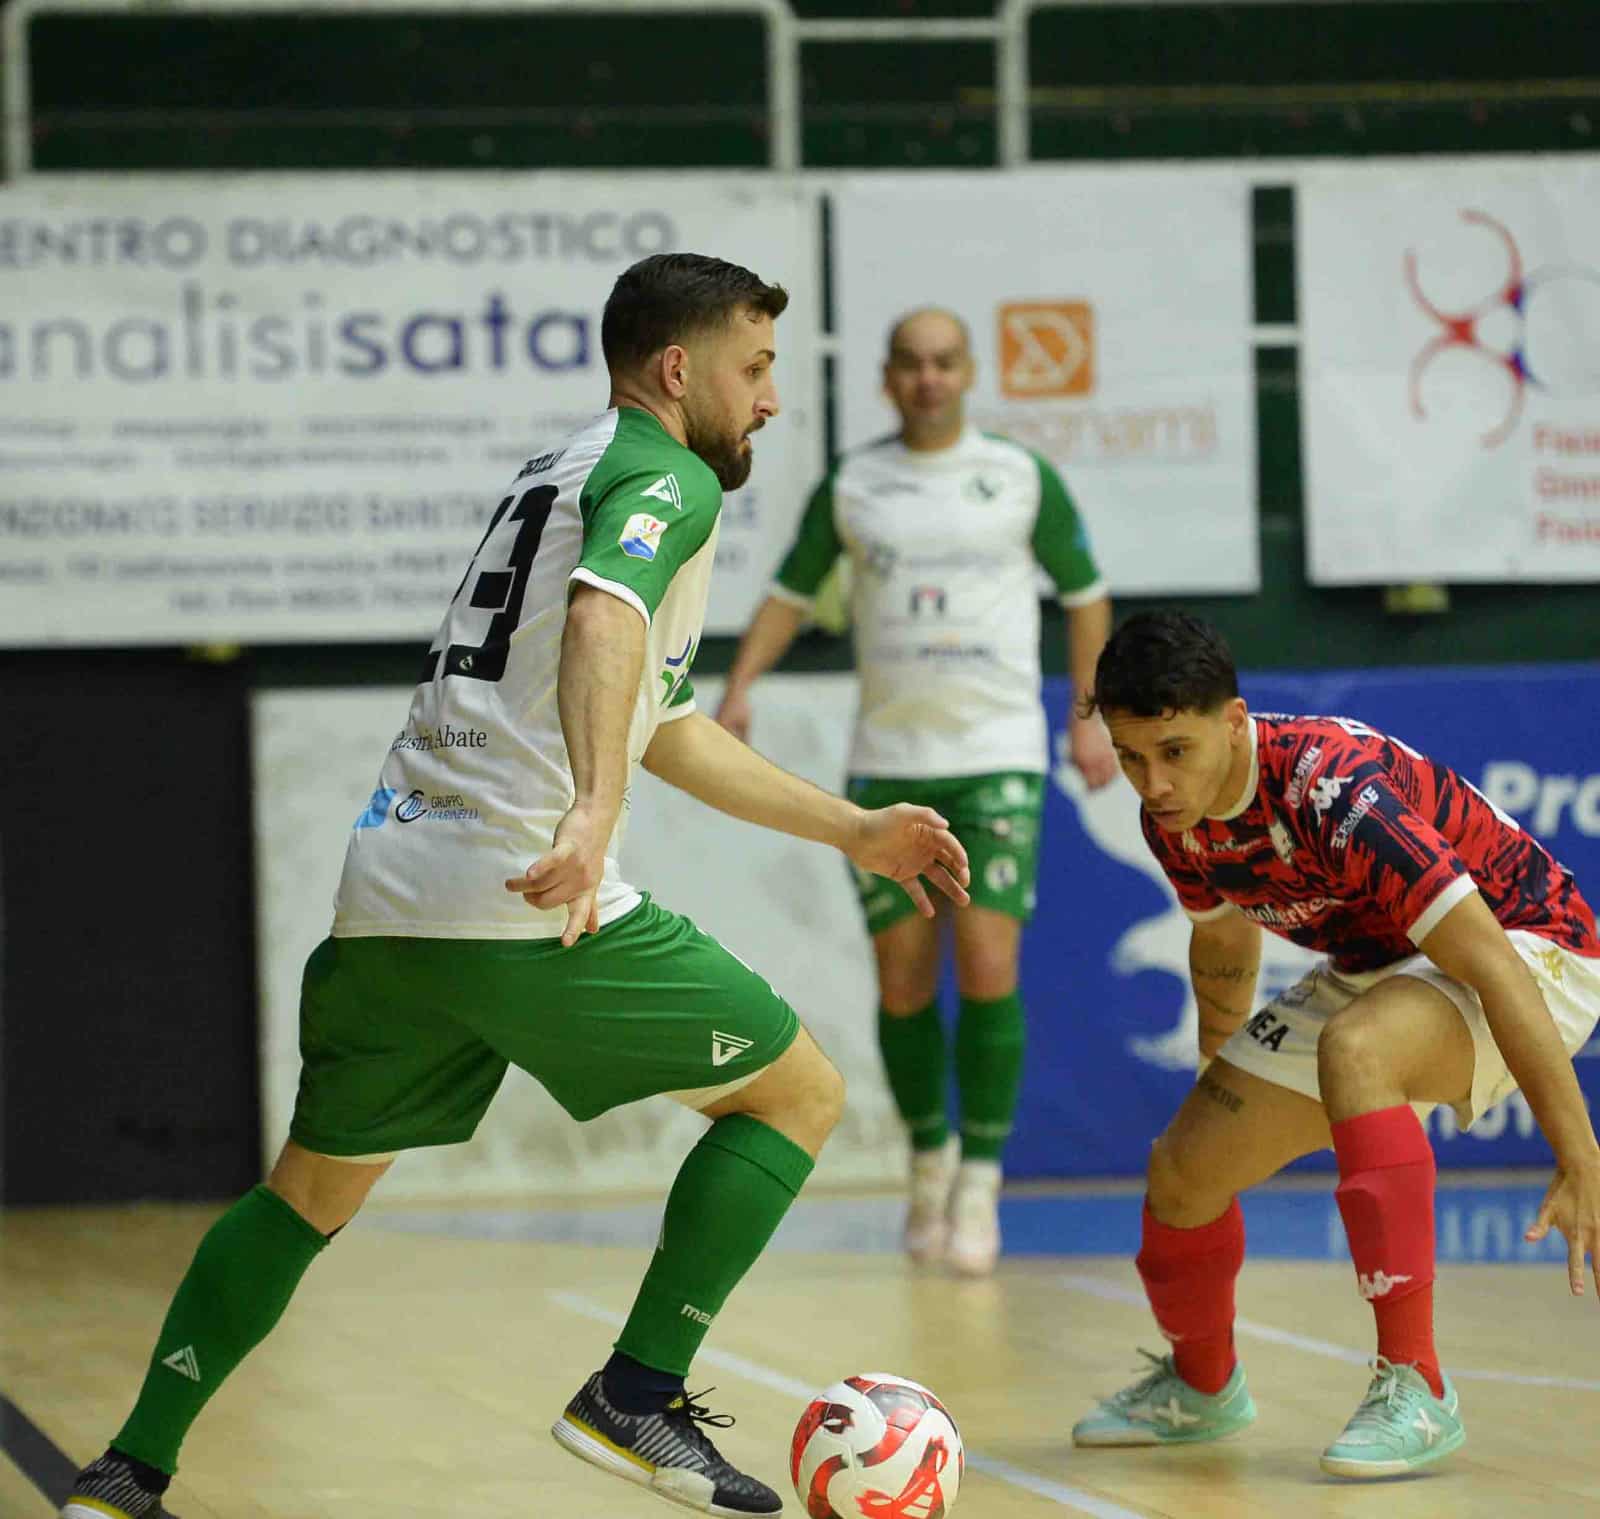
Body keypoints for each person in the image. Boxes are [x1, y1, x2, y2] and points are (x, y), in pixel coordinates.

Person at [61, 253, 971, 1519]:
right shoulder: (667, 478)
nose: (769, 399)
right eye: (754, 368)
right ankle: (636, 1392)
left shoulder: (558, 469)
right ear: (676, 369)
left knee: (304, 1197)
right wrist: (592, 814)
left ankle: (125, 1470)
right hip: (524, 896)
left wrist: (848, 827)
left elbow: (661, 716)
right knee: (797, 1092)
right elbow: (605, 622)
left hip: (389, 897)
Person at [1069, 609, 1600, 1477]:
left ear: (1234, 721)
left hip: (1531, 947)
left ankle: (1418, 1388)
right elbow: (1226, 934)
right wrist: (1220, 1076)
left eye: (1174, 751)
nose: (1154, 782)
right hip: (1386, 963)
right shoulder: (1173, 819)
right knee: (1182, 1170)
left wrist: (1580, 1154)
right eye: (1131, 758)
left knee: (1356, 1049)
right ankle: (1202, 1389)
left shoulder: (1333, 791)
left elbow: (1494, 968)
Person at [716, 307, 1116, 1277]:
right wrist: (739, 685)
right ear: (887, 378)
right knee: (903, 979)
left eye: (945, 363)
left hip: (997, 754)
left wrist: (1091, 710)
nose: (929, 379)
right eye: (911, 365)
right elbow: (788, 588)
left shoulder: (1018, 477)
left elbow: (1086, 593)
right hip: (888, 762)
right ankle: (927, 1160)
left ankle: (981, 1181)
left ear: (967, 372)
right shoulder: (854, 482)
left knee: (985, 964)